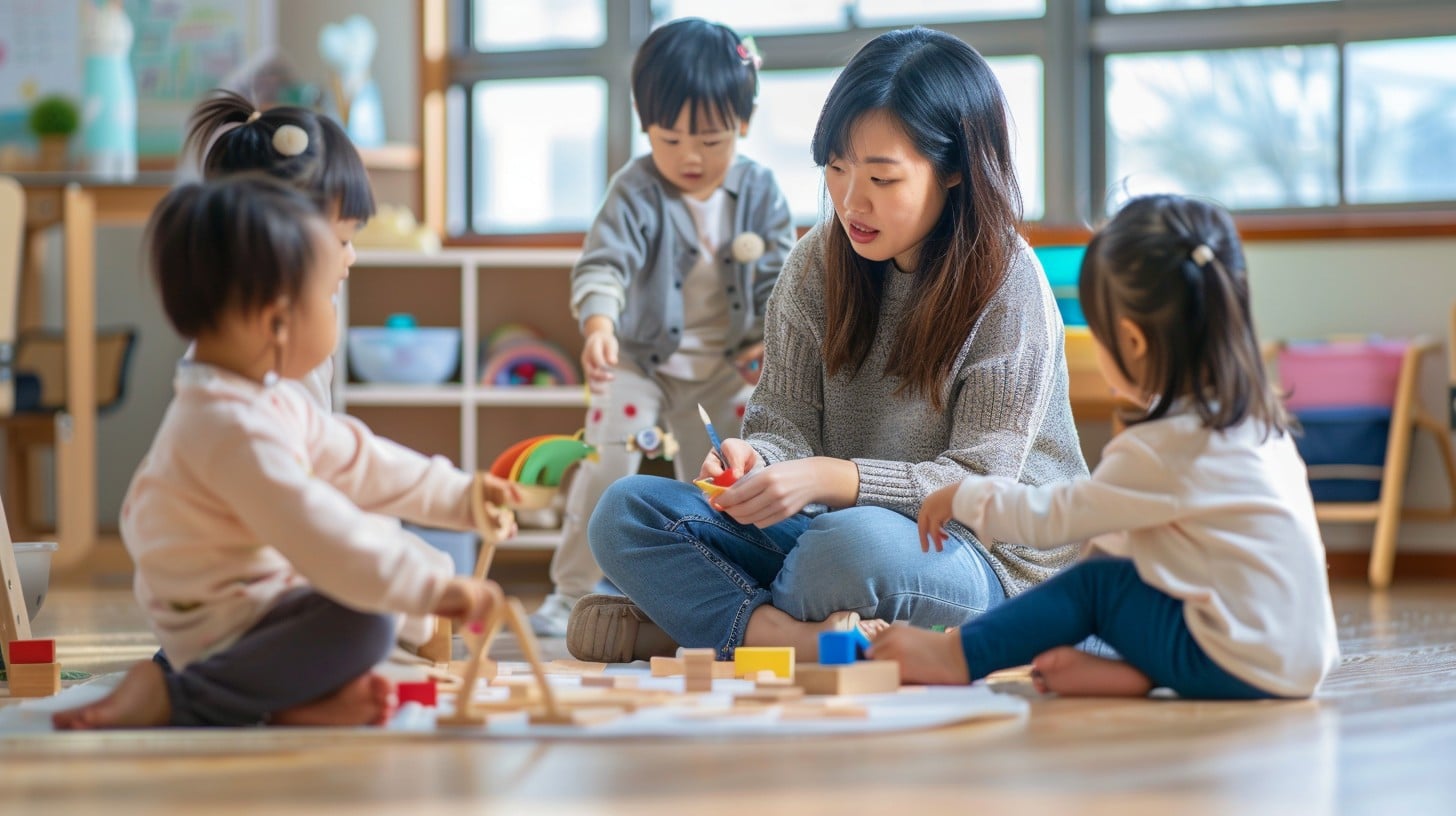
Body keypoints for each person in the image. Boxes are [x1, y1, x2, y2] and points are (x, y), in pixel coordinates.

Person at [568, 27, 1087, 663]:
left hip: (984, 554)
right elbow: (783, 426)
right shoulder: (817, 261)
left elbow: (980, 485)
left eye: (882, 178)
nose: (850, 200)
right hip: (827, 530)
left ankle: (695, 624)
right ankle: (797, 639)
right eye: (837, 169)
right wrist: (754, 459)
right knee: (626, 512)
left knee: (846, 552)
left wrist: (831, 478)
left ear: (953, 169)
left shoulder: (1008, 282)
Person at [53, 176, 518, 729]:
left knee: (371, 598)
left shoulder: (262, 399)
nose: (334, 309)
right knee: (367, 617)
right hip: (214, 623)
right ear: (276, 322)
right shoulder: (231, 429)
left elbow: (359, 460)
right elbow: (319, 529)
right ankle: (177, 696)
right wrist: (431, 590)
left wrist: (461, 495)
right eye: (327, 297)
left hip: (257, 599)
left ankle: (301, 702)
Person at [872, 194, 1341, 699]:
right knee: (1134, 561)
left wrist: (967, 494)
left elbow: (1053, 519)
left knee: (1096, 584)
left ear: (1132, 342)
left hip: (1237, 659)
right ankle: (1136, 672)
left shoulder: (1163, 448)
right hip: (1298, 657)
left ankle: (954, 656)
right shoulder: (1256, 426)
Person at [528, 17, 796, 637]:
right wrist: (599, 326)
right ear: (645, 125)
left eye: (711, 139)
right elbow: (605, 263)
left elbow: (781, 283)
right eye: (669, 139)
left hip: (727, 363)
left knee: (734, 472)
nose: (690, 157)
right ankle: (571, 592)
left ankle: (717, 585)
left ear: (744, 124)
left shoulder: (760, 191)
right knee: (605, 460)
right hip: (639, 362)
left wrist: (766, 342)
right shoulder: (635, 189)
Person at [181, 88, 376, 411]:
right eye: (341, 241)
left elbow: (335, 444)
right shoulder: (259, 376)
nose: (350, 256)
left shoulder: (274, 342)